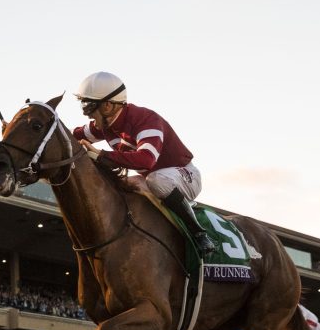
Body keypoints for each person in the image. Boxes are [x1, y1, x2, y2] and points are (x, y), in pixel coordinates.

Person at [73, 71, 216, 256]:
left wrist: (100, 155)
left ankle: (199, 233)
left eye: (90, 106)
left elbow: (146, 160)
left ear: (108, 105)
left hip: (184, 176)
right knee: (119, 184)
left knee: (156, 179)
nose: (87, 114)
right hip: (150, 178)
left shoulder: (145, 119)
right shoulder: (104, 125)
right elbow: (66, 136)